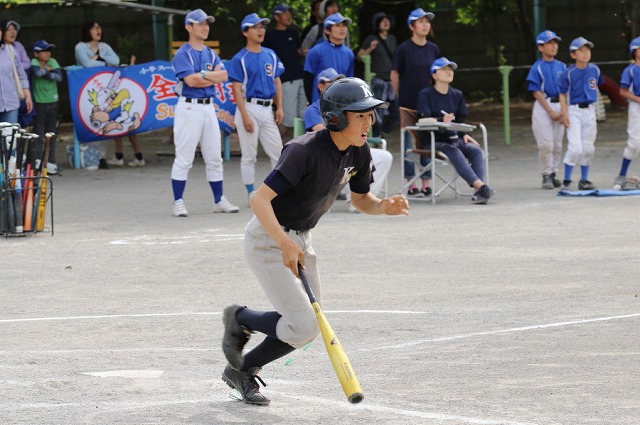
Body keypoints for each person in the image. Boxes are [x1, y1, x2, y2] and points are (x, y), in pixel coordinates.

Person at [220, 77, 409, 405]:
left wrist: (383, 207)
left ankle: (243, 360)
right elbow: (260, 200)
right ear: (336, 117)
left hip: (301, 240)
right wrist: (283, 242)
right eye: (360, 115)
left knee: (304, 327)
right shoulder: (302, 150)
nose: (369, 121)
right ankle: (240, 320)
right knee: (305, 323)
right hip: (268, 239)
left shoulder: (359, 152)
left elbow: (362, 199)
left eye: (370, 115)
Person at [171, 9, 239, 216]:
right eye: (200, 24)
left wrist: (202, 74)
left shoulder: (210, 53)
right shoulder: (183, 53)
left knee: (214, 155)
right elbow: (191, 81)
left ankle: (219, 199)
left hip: (209, 106)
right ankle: (178, 202)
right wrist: (208, 76)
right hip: (189, 105)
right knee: (184, 157)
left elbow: (224, 75)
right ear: (188, 27)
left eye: (207, 24)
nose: (205, 27)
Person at [304, 67, 393, 212]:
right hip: (327, 155)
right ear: (321, 86)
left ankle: (362, 199)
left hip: (352, 149)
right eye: (331, 82)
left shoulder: (351, 107)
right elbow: (326, 132)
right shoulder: (313, 109)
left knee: (384, 156)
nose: (336, 85)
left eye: (338, 81)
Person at [416, 57, 494, 204]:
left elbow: (460, 120)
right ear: (434, 75)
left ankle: (479, 192)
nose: (449, 72)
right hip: (433, 141)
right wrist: (441, 121)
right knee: (453, 150)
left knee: (475, 150)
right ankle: (481, 186)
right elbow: (423, 120)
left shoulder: (457, 94)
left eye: (450, 69)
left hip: (454, 138)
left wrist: (464, 134)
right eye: (444, 69)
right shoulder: (425, 94)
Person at [228, 13, 285, 201]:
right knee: (249, 154)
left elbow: (277, 82)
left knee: (278, 152)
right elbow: (236, 89)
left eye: (262, 26)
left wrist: (279, 107)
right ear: (246, 32)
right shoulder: (240, 58)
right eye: (256, 27)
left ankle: (277, 191)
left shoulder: (270, 54)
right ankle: (251, 192)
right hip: (249, 106)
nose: (261, 30)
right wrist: (244, 116)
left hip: (267, 107)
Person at [75, 20, 144, 168]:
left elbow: (116, 60)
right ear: (87, 31)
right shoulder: (80, 47)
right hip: (88, 90)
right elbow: (86, 64)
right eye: (94, 28)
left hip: (107, 89)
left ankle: (102, 157)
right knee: (92, 120)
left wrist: (100, 60)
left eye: (99, 27)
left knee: (110, 120)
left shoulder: (104, 47)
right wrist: (106, 64)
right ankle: (91, 155)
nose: (98, 30)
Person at [391, 8, 441, 198]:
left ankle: (426, 182)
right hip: (408, 103)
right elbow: (395, 74)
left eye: (427, 21)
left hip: (429, 104)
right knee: (409, 144)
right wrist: (400, 97)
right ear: (411, 26)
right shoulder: (403, 49)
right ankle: (411, 184)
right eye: (420, 21)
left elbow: (438, 75)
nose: (425, 24)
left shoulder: (433, 49)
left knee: (427, 143)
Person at [558, 37, 603, 190]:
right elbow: (562, 94)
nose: (585, 53)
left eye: (587, 50)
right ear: (573, 55)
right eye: (581, 50)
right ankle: (567, 179)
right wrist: (564, 113)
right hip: (574, 110)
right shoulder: (568, 73)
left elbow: (597, 86)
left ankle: (584, 180)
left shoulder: (595, 70)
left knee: (589, 147)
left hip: (590, 110)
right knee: (575, 147)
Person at [527, 30, 566, 190]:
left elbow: (565, 90)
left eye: (555, 43)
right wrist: (550, 111)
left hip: (560, 103)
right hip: (544, 105)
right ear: (541, 47)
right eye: (549, 43)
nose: (553, 46)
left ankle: (554, 173)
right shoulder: (538, 67)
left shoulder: (562, 66)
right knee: (546, 143)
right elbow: (536, 91)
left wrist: (564, 111)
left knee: (557, 143)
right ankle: (546, 175)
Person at [263, 4, 306, 140]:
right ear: (277, 16)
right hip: (285, 80)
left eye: (289, 13)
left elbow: (298, 52)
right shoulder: (269, 36)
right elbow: (265, 58)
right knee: (287, 120)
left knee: (304, 115)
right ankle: (272, 143)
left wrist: (304, 53)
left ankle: (305, 149)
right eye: (285, 13)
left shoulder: (293, 33)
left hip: (301, 77)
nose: (289, 16)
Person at [357, 12, 398, 137]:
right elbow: (359, 56)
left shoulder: (392, 38)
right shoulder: (371, 38)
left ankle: (383, 132)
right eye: (382, 20)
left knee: (396, 111)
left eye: (387, 20)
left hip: (391, 81)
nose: (386, 22)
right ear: (377, 24)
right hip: (379, 81)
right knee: (377, 112)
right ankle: (376, 137)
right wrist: (370, 48)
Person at [303, 12, 354, 104]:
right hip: (319, 105)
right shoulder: (316, 51)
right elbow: (307, 79)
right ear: (327, 31)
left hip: (341, 105)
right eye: (337, 25)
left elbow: (349, 82)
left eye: (344, 25)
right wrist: (312, 103)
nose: (342, 29)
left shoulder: (349, 53)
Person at [30, 40, 62, 175]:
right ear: (36, 53)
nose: (48, 53)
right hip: (39, 102)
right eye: (44, 51)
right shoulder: (34, 62)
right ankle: (36, 164)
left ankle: (50, 164)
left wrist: (46, 72)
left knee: (52, 135)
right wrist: (48, 71)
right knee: (38, 135)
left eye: (49, 50)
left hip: (53, 101)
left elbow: (59, 77)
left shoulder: (53, 61)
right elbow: (37, 73)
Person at [612, 36, 640, 190]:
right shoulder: (630, 70)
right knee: (635, 143)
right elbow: (622, 91)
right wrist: (637, 99)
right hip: (636, 107)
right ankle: (621, 175)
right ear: (634, 52)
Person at [0, 22, 32, 125]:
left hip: (11, 103)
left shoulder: (10, 50)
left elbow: (21, 75)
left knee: (10, 139)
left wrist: (27, 95)